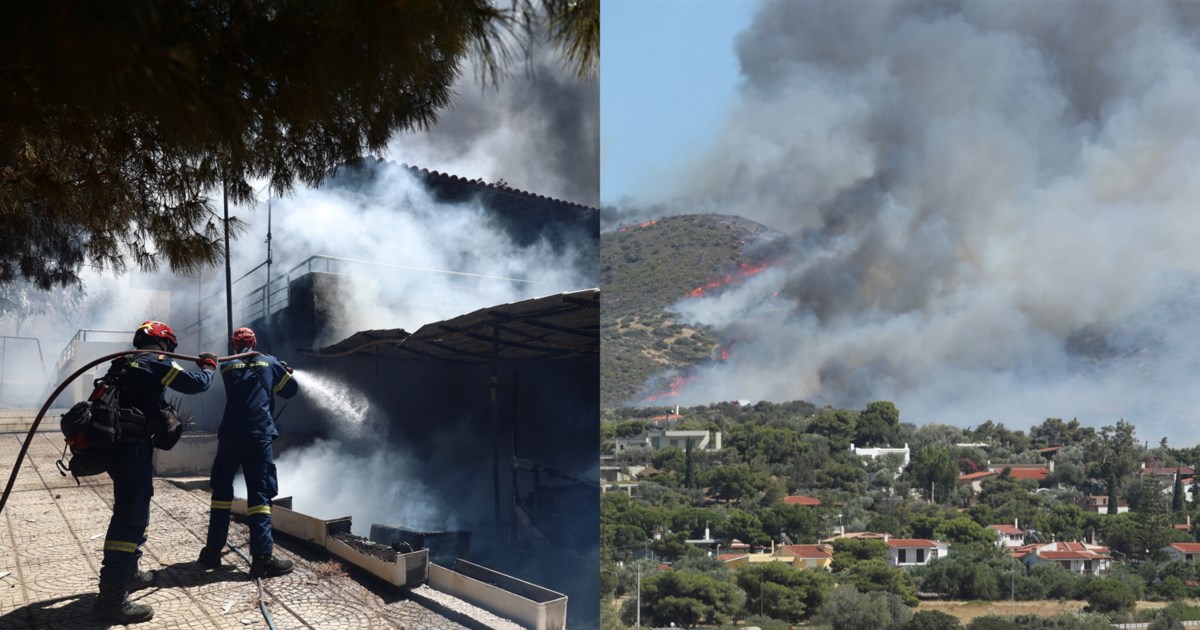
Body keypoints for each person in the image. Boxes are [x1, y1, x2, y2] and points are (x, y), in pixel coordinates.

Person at [93, 321, 217, 624]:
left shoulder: (124, 362)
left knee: (137, 510)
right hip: (132, 449)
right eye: (170, 347)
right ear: (164, 343)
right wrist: (209, 368)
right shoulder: (156, 360)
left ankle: (130, 572)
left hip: (118, 448)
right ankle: (111, 597)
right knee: (130, 517)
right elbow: (194, 384)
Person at [198, 326, 298, 578]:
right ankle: (262, 559)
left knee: (221, 494)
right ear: (254, 342)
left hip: (230, 436)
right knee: (259, 496)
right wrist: (282, 370)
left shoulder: (226, 366)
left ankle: (212, 552)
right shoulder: (269, 362)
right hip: (258, 435)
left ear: (234, 345)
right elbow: (290, 390)